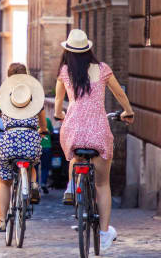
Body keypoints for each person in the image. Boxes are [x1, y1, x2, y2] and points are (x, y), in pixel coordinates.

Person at [54, 29, 134, 251]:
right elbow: (120, 95)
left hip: (74, 130)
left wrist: (60, 114)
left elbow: (59, 103)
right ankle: (105, 232)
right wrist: (128, 111)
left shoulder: (64, 72)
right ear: (88, 49)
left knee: (74, 153)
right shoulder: (103, 69)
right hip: (98, 131)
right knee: (102, 184)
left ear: (68, 51)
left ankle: (72, 185)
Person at [0, 63, 48, 232]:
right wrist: (43, 130)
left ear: (8, 78)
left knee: (4, 181)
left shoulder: (4, 98)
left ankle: (2, 221)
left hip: (9, 142)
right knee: (32, 161)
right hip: (31, 140)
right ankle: (32, 184)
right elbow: (43, 123)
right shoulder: (35, 98)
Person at [37, 117, 54, 194]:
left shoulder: (33, 120)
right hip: (47, 146)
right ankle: (43, 183)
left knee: (35, 167)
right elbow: (51, 132)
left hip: (36, 146)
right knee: (45, 167)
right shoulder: (47, 120)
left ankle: (35, 185)